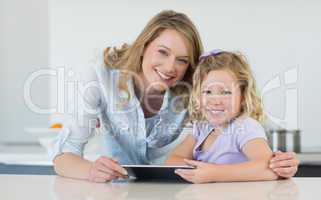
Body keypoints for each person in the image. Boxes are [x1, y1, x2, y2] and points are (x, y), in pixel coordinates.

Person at [52, 10, 299, 183]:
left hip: (178, 190)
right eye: (162, 52)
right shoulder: (101, 75)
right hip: (118, 190)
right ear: (143, 46)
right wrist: (91, 171)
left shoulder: (196, 86)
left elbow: (247, 121)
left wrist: (279, 159)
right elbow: (64, 157)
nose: (171, 67)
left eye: (182, 60)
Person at [166, 50, 288, 183]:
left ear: (242, 96)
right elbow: (173, 161)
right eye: (207, 92)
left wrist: (213, 173)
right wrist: (199, 171)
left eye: (226, 92)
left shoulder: (245, 126)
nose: (216, 101)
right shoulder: (201, 128)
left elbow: (268, 168)